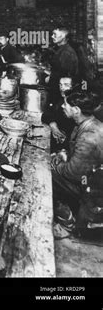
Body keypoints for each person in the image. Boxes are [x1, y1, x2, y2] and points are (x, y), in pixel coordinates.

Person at [51, 92, 103, 235]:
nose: (62, 106)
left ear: (76, 110)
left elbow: (72, 173)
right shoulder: (86, 123)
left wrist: (55, 166)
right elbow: (76, 154)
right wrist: (63, 154)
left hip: (93, 189)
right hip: (90, 176)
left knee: (47, 175)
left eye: (66, 104)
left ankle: (67, 223)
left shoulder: (89, 136)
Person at [41, 76, 78, 152]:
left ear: (74, 87)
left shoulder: (77, 104)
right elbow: (46, 113)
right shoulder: (60, 99)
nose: (62, 88)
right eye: (60, 85)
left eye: (66, 85)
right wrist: (53, 124)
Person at [48, 28, 79, 101]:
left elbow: (65, 75)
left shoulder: (66, 52)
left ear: (63, 36)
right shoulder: (62, 49)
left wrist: (50, 77)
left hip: (62, 92)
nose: (52, 36)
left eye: (55, 34)